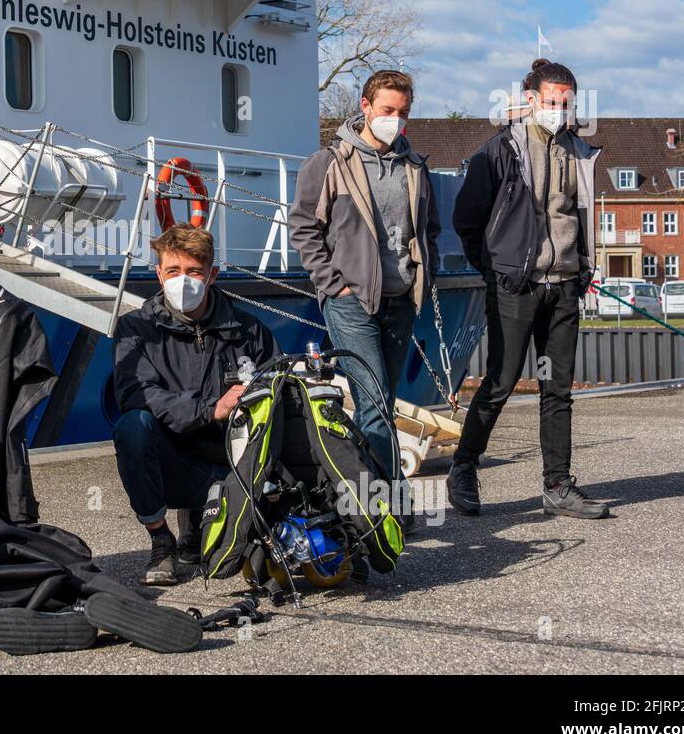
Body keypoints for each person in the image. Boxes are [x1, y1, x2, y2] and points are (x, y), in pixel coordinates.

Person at [449, 58, 606, 519]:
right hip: (516, 285)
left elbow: (578, 214)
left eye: (566, 102)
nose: (559, 109)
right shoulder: (501, 150)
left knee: (557, 388)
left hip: (565, 284)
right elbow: (467, 218)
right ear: (531, 99)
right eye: (551, 100)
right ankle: (462, 469)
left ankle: (557, 485)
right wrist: (497, 267)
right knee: (499, 381)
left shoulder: (579, 151)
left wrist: (581, 269)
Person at [289, 70, 441, 508]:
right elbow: (303, 227)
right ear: (366, 107)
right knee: (373, 402)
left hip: (400, 299)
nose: (395, 120)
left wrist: (422, 274)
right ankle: (392, 504)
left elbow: (429, 228)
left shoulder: (414, 165)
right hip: (351, 301)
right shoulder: (330, 162)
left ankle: (360, 493)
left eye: (404, 112)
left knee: (384, 402)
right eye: (388, 110)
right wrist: (332, 285)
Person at [111, 225, 279, 586]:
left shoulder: (249, 331)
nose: (182, 281)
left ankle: (199, 526)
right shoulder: (134, 329)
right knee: (132, 427)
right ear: (158, 273)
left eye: (193, 272)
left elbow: (278, 394)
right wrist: (209, 408)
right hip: (174, 464)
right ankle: (161, 540)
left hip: (233, 466)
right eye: (172, 271)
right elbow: (136, 395)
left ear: (212, 275)